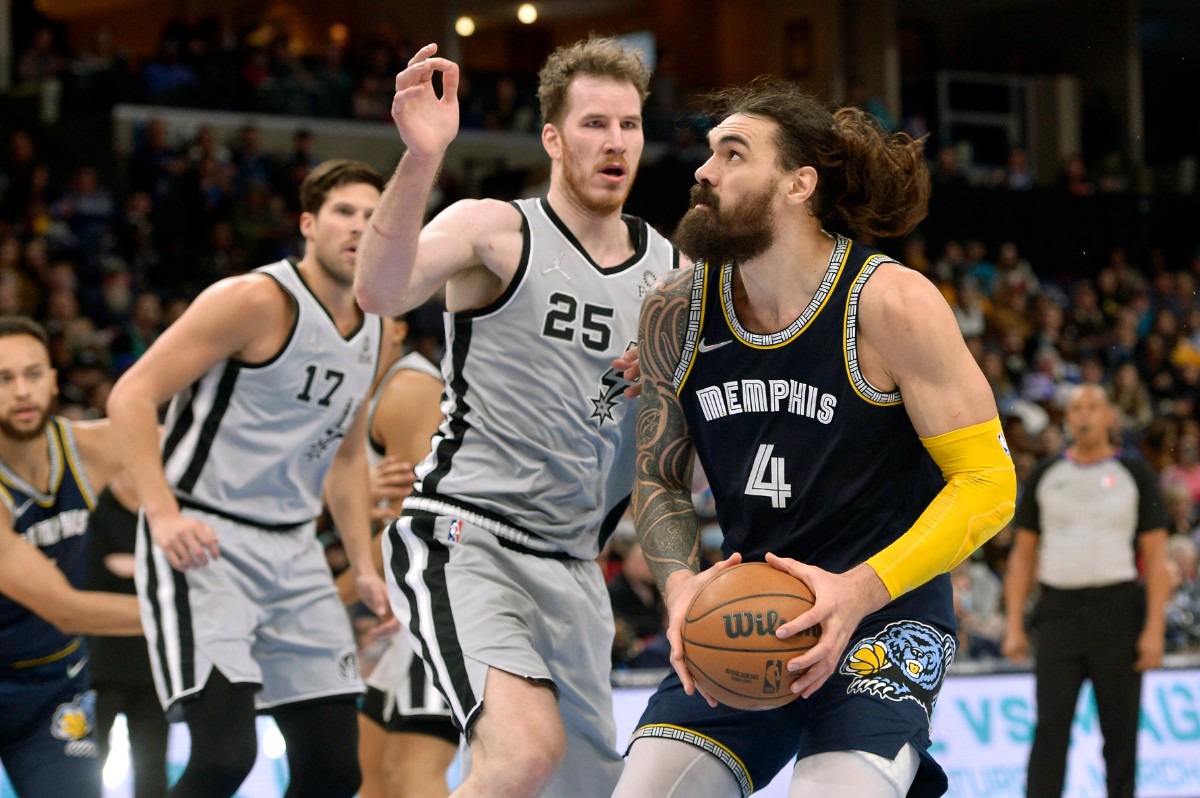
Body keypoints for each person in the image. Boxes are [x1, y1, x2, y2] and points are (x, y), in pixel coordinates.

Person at [613, 78, 1016, 798]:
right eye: (708, 153)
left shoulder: (891, 302)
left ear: (799, 184)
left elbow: (990, 485)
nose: (703, 172)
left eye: (733, 155)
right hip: (747, 618)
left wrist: (859, 592)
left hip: (882, 616)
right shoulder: (676, 309)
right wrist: (679, 588)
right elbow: (660, 477)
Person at [354, 37, 678, 798]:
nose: (615, 142)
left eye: (629, 125)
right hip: (468, 535)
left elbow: (682, 453)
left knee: (585, 787)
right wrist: (422, 157)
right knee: (522, 753)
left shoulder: (674, 277)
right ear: (554, 138)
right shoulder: (494, 229)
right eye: (595, 123)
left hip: (574, 566)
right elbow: (378, 289)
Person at [106, 158, 393, 798]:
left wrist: (364, 566)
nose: (359, 227)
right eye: (345, 212)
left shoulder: (377, 326)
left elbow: (345, 458)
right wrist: (162, 515)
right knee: (222, 759)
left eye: (375, 216)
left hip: (295, 550)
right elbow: (131, 395)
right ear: (308, 225)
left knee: (334, 770)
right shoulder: (255, 299)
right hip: (204, 538)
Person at [1002, 384, 1169, 798]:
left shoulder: (1136, 474)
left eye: (1093, 406)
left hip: (1119, 609)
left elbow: (1157, 557)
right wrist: (1014, 626)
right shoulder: (1045, 475)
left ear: (1111, 415)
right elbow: (1023, 557)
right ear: (1067, 417)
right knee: (1050, 730)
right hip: (1059, 611)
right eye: (1076, 408)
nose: (1084, 414)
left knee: (1120, 733)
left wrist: (1154, 630)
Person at [0, 315, 143, 798]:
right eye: (4, 378)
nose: (22, 390)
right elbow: (64, 607)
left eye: (33, 374)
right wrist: (195, 615)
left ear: (54, 379)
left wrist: (336, 475)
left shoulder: (89, 447)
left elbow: (209, 451)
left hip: (55, 687)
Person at [350, 315, 459, 798]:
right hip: (408, 593)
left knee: (412, 772)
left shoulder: (408, 389)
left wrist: (324, 595)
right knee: (371, 774)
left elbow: (418, 525)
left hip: (443, 592)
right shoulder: (361, 389)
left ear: (395, 327)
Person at [85, 481, 170, 798]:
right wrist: (151, 567)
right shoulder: (97, 512)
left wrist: (133, 566)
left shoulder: (164, 513)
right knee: (89, 759)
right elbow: (87, 579)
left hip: (152, 664)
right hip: (102, 663)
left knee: (152, 766)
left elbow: (179, 570)